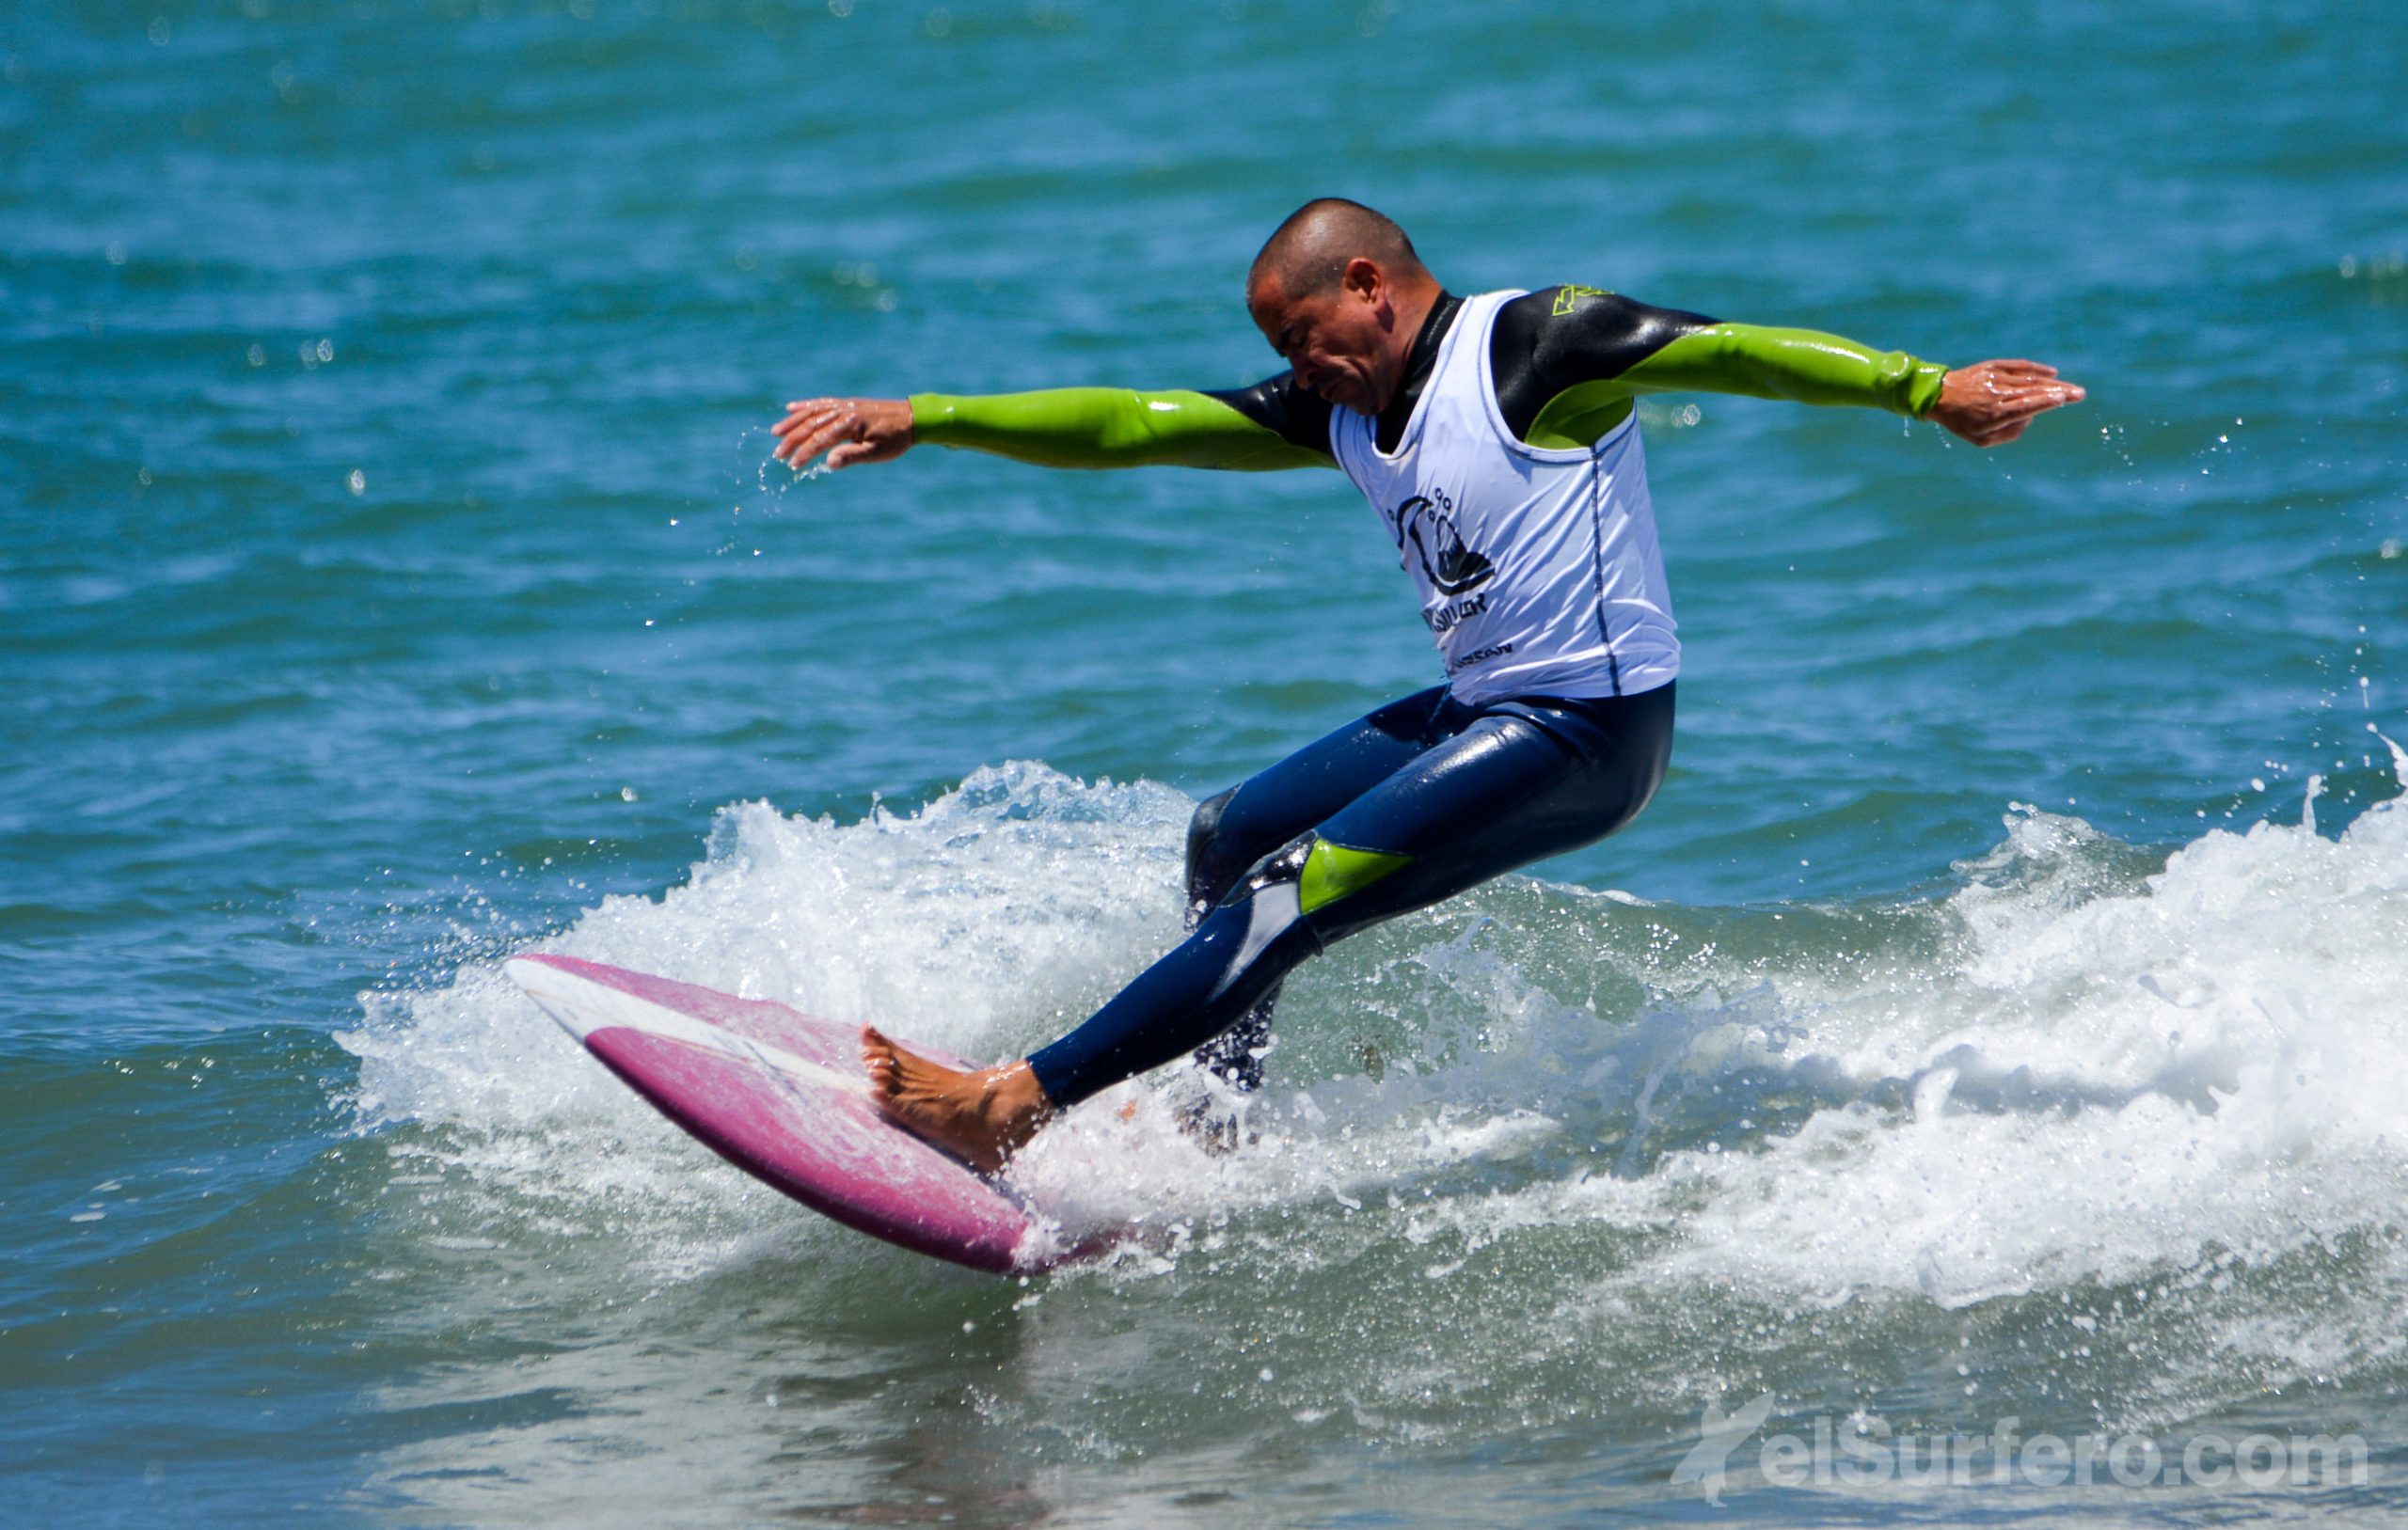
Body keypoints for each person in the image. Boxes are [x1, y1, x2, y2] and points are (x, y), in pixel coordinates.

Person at [770, 198, 2083, 1172]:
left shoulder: (1539, 344)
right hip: (1485, 708)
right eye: (1282, 349)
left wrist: (1927, 390)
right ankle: (1221, 1124)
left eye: (1305, 334)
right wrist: (931, 415)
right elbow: (1139, 423)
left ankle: (1010, 1107)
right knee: (1229, 839)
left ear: (1366, 283)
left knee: (1294, 898)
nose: (1298, 366)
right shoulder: (1338, 408)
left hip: (1589, 730)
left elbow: (1734, 351)